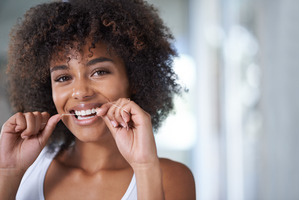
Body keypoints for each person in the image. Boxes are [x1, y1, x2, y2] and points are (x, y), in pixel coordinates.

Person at [0, 0, 196, 199]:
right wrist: (8, 172)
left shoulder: (170, 177)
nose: (80, 92)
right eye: (63, 78)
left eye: (99, 72)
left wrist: (144, 166)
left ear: (134, 79)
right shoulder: (25, 169)